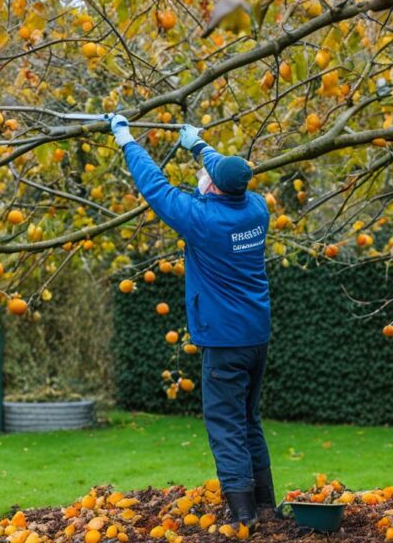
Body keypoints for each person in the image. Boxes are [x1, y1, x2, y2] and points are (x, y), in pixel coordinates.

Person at [106, 114, 274, 527]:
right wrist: (198, 145)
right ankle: (267, 505)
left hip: (224, 340)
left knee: (225, 424)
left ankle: (244, 516)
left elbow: (156, 187)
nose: (203, 177)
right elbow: (228, 173)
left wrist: (126, 140)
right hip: (256, 336)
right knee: (248, 420)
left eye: (207, 175)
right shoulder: (256, 208)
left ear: (215, 186)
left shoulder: (204, 221)